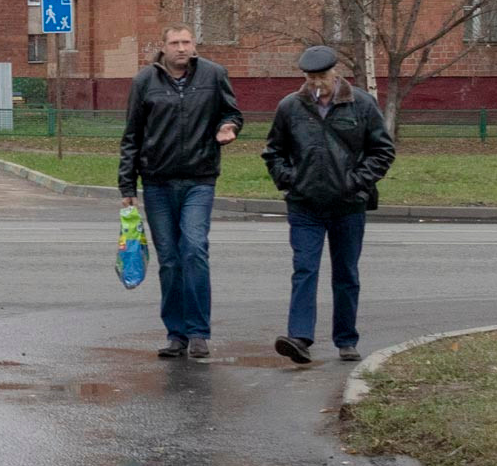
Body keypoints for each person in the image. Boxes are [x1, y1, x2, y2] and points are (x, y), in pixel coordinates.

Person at [117, 25, 244, 360]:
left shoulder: (214, 75)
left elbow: (231, 112)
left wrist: (228, 127)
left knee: (194, 249)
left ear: (194, 45)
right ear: (164, 47)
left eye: (187, 42)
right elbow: (132, 134)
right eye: (175, 43)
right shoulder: (145, 81)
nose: (181, 48)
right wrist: (127, 185)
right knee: (170, 261)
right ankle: (176, 334)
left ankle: (199, 332)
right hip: (157, 182)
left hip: (199, 179)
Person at [264, 45, 396, 364]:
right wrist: (290, 180)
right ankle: (299, 337)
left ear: (335, 73)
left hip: (348, 205)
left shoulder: (361, 104)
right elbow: (273, 151)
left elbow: (382, 151)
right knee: (305, 269)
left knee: (346, 273)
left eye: (322, 75)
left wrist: (355, 183)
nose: (316, 82)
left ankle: (346, 339)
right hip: (304, 204)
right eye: (310, 77)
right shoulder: (290, 107)